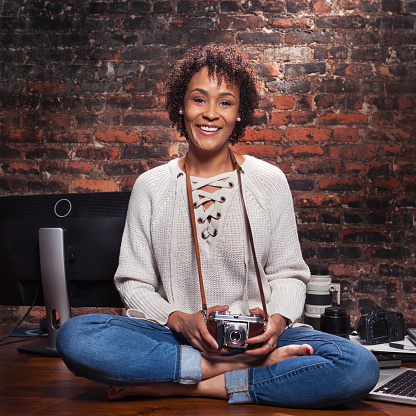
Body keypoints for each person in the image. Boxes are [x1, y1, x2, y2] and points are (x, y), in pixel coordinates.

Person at [56, 44, 379, 408]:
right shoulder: (151, 185)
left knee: (358, 366)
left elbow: (289, 273)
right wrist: (179, 320)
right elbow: (133, 282)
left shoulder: (269, 181)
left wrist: (275, 321)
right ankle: (232, 369)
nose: (211, 113)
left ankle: (193, 382)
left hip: (258, 342)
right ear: (181, 105)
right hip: (173, 338)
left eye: (225, 102)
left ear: (240, 113)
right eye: (199, 99)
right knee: (76, 337)